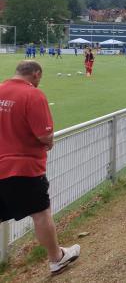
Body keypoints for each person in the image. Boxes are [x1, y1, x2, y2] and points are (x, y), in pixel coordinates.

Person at [0, 61, 81, 274]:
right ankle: (56, 258)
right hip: (24, 167)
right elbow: (44, 135)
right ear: (36, 74)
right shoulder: (33, 95)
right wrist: (49, 142)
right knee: (41, 213)